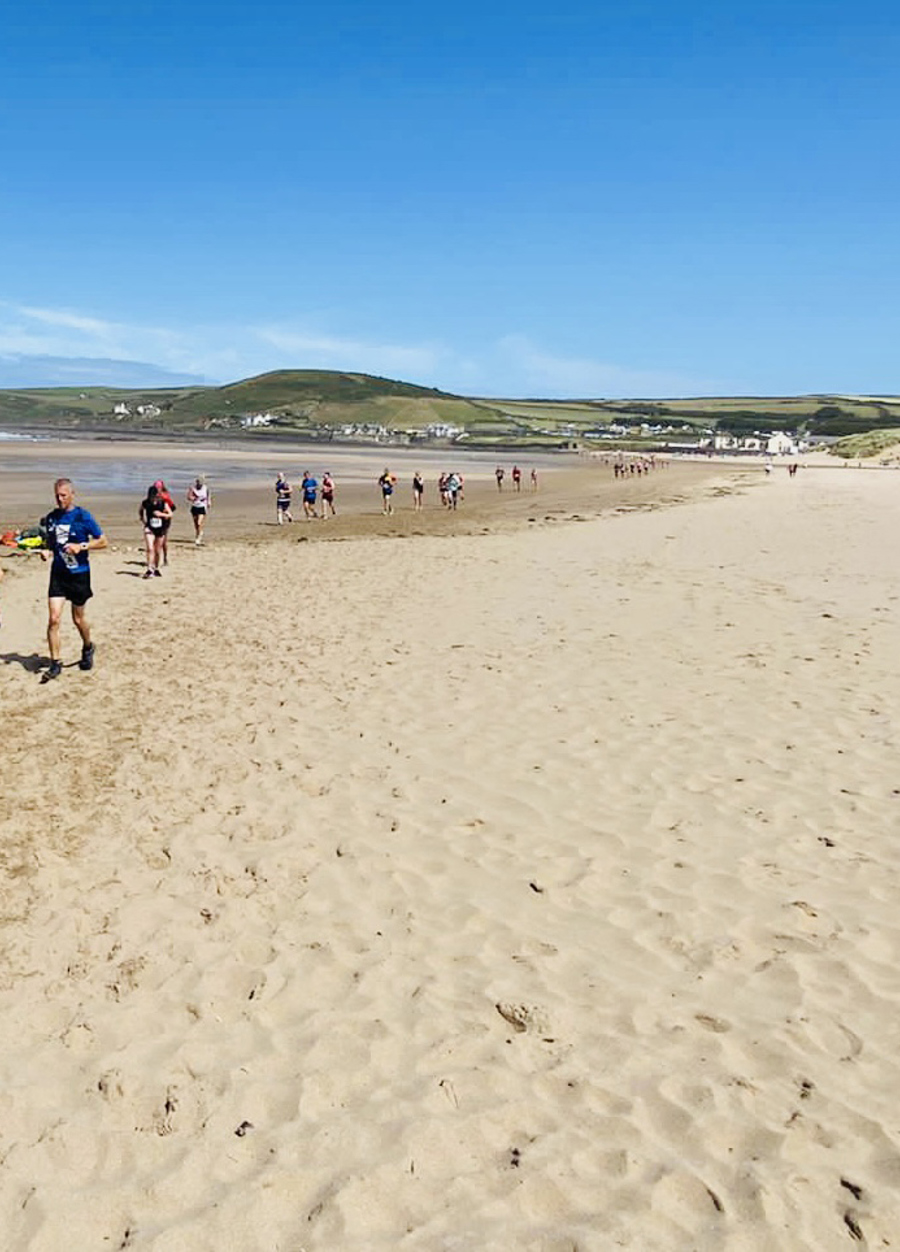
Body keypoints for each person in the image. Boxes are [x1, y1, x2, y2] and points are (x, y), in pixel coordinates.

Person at [41, 478, 107, 681]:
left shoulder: (82, 516)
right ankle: (55, 662)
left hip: (79, 574)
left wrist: (82, 546)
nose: (60, 499)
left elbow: (103, 541)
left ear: (72, 494)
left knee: (78, 619)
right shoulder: (51, 518)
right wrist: (45, 552)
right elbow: (50, 543)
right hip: (59, 574)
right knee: (54, 619)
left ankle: (88, 646)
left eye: (63, 495)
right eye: (57, 496)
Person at [139, 483, 172, 577]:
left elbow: (170, 514)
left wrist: (161, 515)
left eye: (156, 496)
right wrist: (143, 520)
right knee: (150, 548)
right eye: (152, 496)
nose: (154, 498)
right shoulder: (145, 503)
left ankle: (156, 568)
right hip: (149, 527)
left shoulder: (163, 503)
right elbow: (141, 511)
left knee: (157, 550)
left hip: (160, 529)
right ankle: (149, 569)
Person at [155, 479, 176, 564]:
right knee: (155, 540)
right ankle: (156, 559)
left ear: (161, 488)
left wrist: (165, 512)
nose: (157, 489)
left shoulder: (165, 497)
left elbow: (173, 508)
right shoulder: (153, 496)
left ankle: (165, 558)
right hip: (156, 520)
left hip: (165, 520)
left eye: (158, 487)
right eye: (155, 487)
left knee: (163, 540)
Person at [186, 476, 211, 544]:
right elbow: (188, 497)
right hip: (194, 506)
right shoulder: (192, 488)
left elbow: (208, 495)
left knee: (199, 523)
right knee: (196, 524)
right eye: (198, 482)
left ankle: (198, 537)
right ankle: (199, 532)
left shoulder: (205, 488)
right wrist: (193, 498)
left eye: (201, 483)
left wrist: (209, 502)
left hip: (202, 507)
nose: (200, 484)